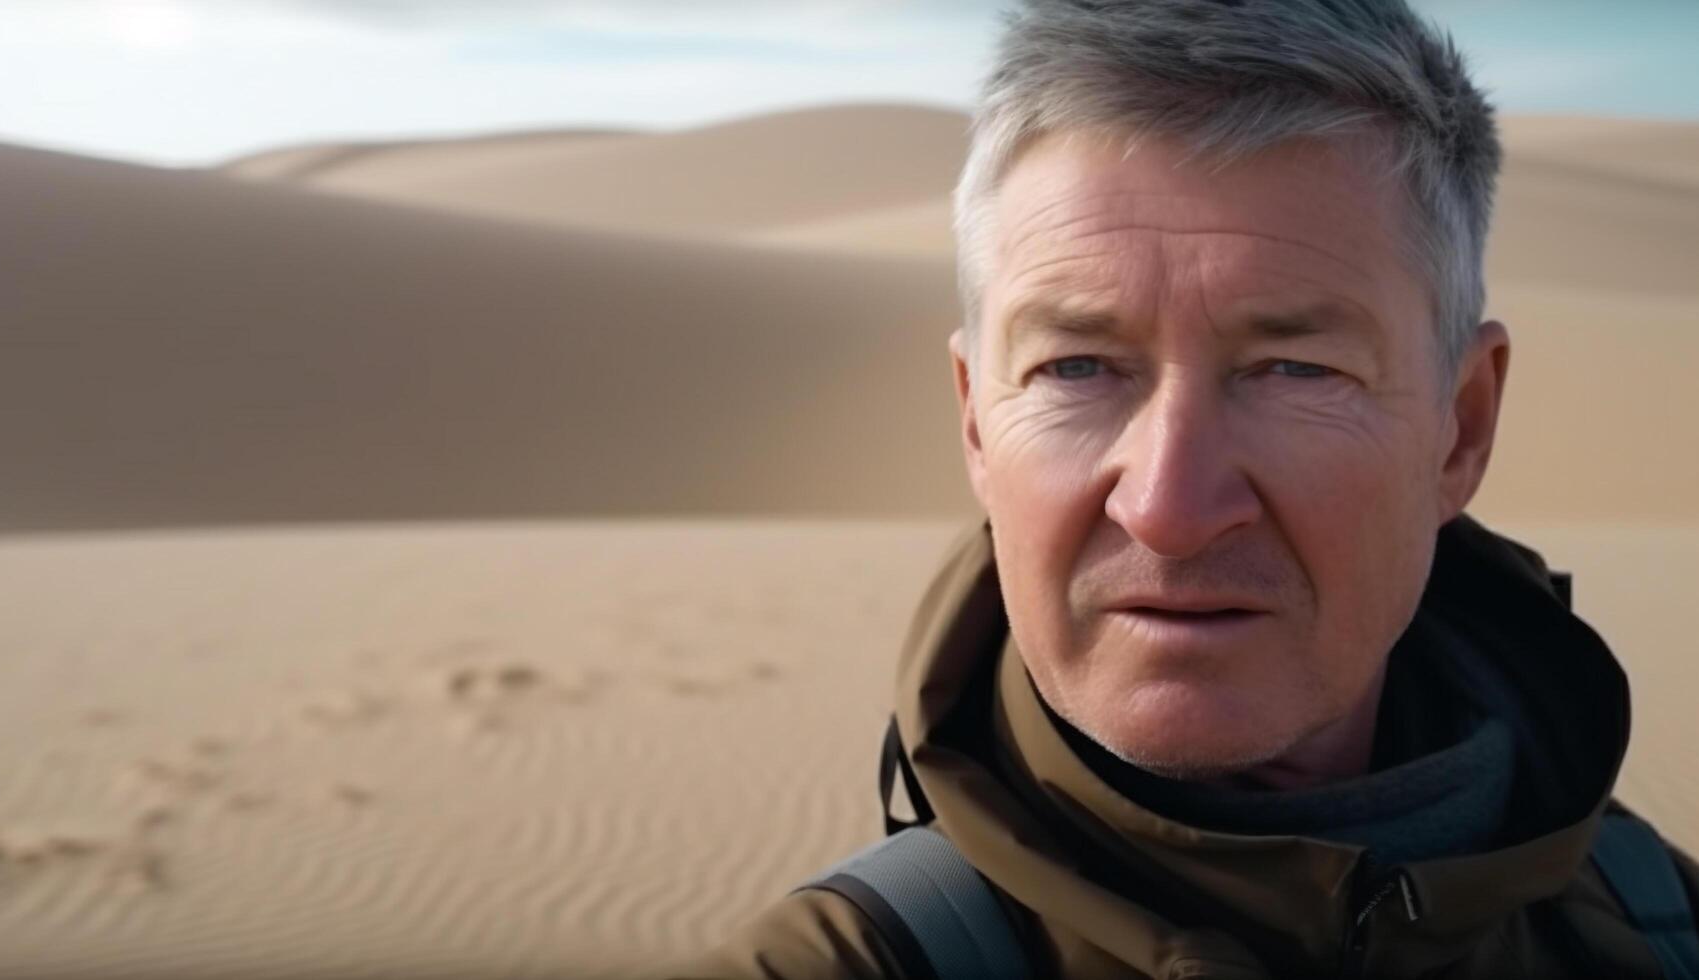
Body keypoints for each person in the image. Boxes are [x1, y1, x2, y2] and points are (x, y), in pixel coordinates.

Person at [671, 0, 1699, 976]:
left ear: (1459, 427)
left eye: (1294, 370)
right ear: (975, 420)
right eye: (1075, 366)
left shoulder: (1662, 923)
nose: (1166, 506)